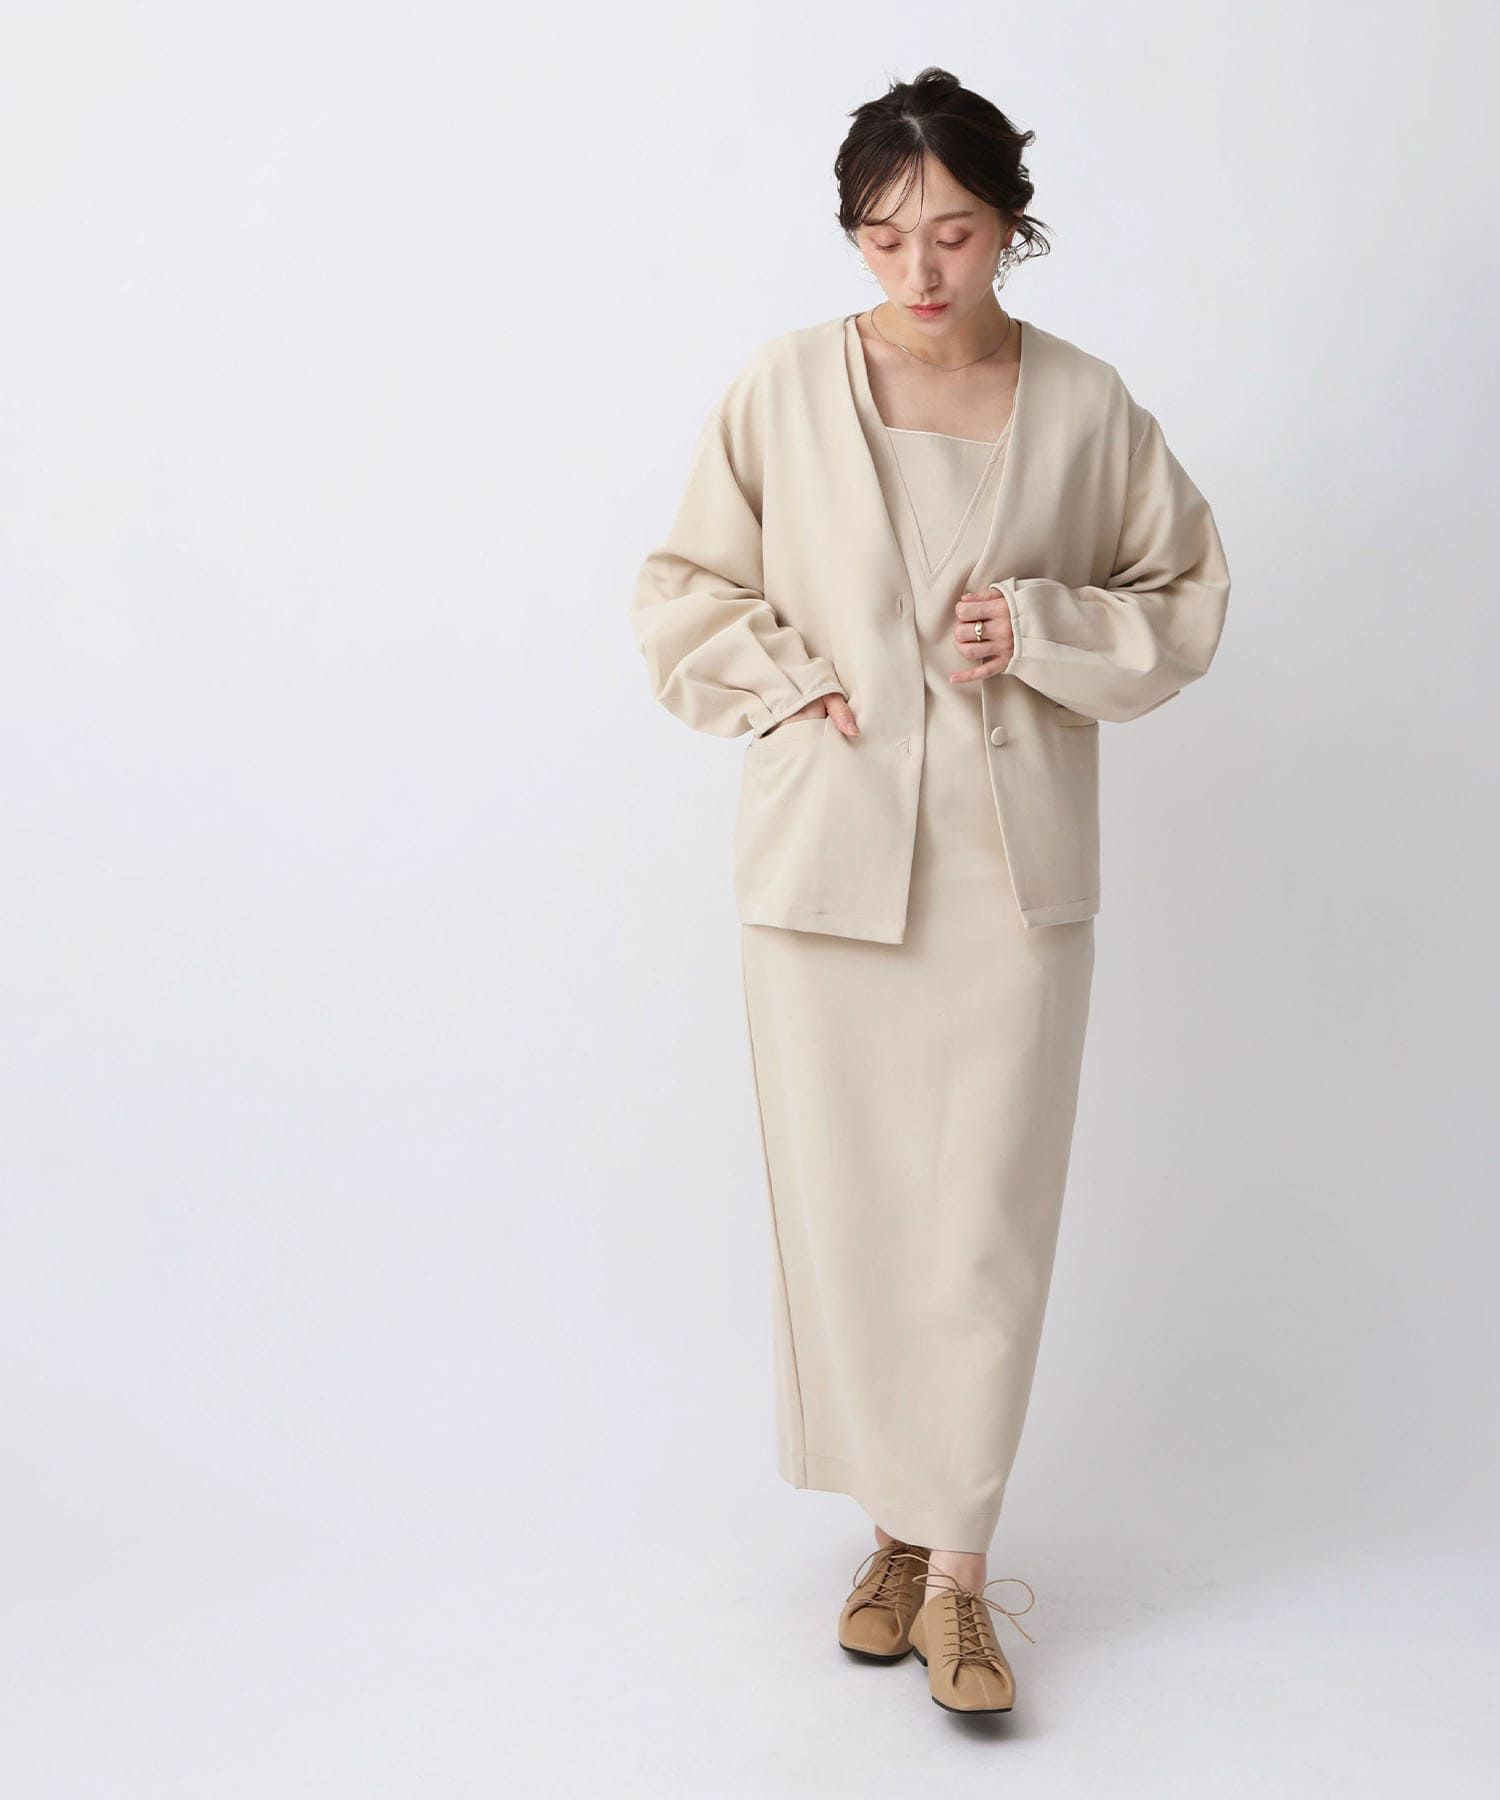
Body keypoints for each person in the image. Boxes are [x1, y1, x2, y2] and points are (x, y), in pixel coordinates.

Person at [628, 66, 1230, 1716]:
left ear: (1010, 226)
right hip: (825, 872)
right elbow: (681, 591)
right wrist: (787, 679)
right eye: (885, 236)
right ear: (852, 234)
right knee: (854, 1218)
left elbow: (1183, 596)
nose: (919, 268)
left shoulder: (1087, 406)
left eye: (954, 232)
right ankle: (894, 1534)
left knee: (983, 1229)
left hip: (1009, 879)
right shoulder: (781, 389)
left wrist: (1039, 623)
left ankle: (960, 1572)